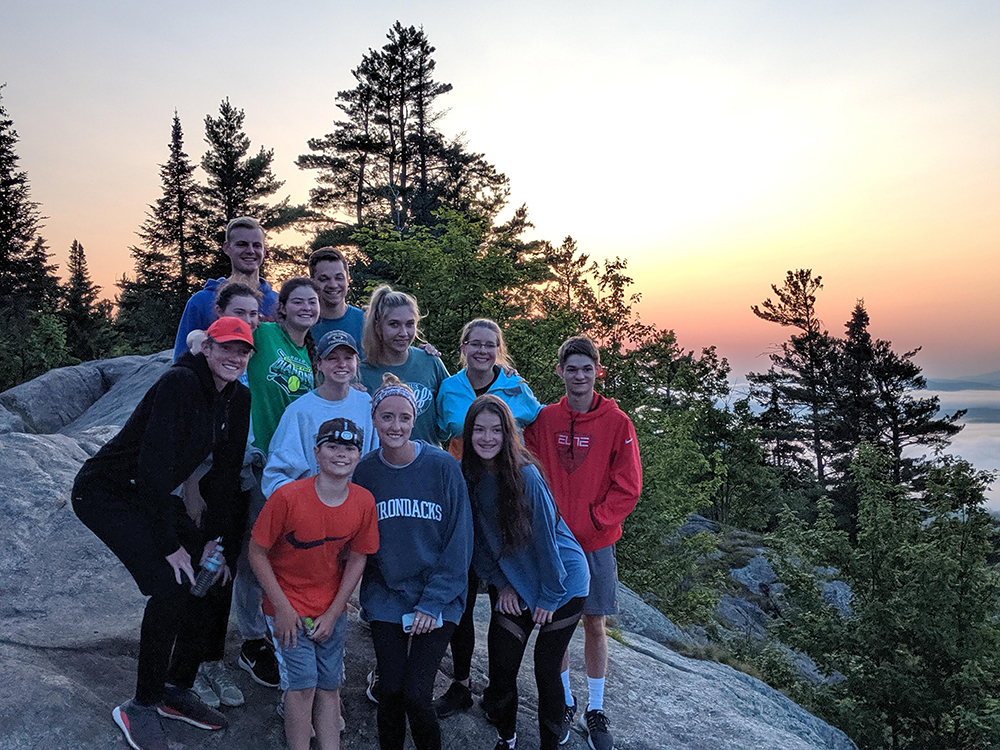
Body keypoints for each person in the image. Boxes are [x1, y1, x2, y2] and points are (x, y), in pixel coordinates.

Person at [71, 316, 254, 750]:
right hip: (108, 492)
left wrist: (216, 542)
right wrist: (172, 546)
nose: (234, 357)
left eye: (243, 350)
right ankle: (140, 706)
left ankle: (176, 688)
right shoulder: (179, 383)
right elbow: (151, 466)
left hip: (150, 495)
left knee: (210, 579)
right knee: (172, 586)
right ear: (205, 349)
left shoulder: (238, 398)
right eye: (225, 347)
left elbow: (225, 478)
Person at [523, 336, 642, 750]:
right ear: (560, 372)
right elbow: (527, 468)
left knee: (593, 622)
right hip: (552, 542)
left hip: (595, 541)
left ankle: (595, 707)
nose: (579, 376)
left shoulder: (617, 422)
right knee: (557, 626)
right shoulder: (544, 419)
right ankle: (565, 699)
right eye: (571, 369)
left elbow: (628, 486)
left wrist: (593, 522)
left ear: (597, 372)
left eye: (586, 369)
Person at [352, 375, 473, 750]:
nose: (396, 426)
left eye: (404, 418)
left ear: (414, 418)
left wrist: (433, 602)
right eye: (387, 417)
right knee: (389, 689)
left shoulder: (441, 467)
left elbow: (459, 541)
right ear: (374, 420)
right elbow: (358, 540)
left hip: (438, 597)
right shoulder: (366, 471)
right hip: (388, 595)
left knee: (417, 693)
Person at [431, 318, 543, 719]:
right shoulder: (449, 387)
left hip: (505, 498)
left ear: (499, 348)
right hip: (462, 497)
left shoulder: (515, 387)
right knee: (461, 594)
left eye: (489, 344)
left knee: (505, 596)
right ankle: (461, 683)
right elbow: (439, 434)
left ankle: (500, 689)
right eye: (474, 343)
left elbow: (538, 421)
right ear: (462, 346)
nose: (481, 350)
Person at [463, 396, 589, 750]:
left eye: (496, 430)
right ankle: (508, 737)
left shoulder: (526, 476)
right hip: (516, 583)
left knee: (545, 669)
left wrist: (549, 595)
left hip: (561, 581)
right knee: (502, 671)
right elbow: (480, 542)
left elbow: (548, 545)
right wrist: (502, 584)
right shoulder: (469, 476)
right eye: (479, 429)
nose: (487, 438)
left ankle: (550, 742)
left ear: (509, 434)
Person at [249, 418, 380, 750]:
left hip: (330, 608)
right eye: (332, 447)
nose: (340, 454)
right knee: (302, 685)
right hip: (287, 605)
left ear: (359, 455)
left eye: (349, 448)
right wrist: (280, 608)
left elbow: (359, 557)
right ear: (316, 453)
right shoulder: (288, 498)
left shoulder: (363, 502)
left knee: (330, 687)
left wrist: (335, 612)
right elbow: (257, 551)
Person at [178, 281, 264, 710]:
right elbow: (185, 435)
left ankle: (210, 659)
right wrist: (192, 484)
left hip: (237, 481)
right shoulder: (195, 366)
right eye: (240, 312)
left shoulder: (246, 375)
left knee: (222, 570)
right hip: (200, 480)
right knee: (195, 572)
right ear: (217, 316)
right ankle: (186, 668)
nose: (249, 320)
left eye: (254, 314)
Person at [236, 277, 321, 689]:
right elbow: (228, 329)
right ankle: (251, 640)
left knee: (284, 552)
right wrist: (200, 336)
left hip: (297, 469)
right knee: (255, 552)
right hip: (259, 459)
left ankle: (276, 625)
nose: (307, 306)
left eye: (313, 301)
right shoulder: (265, 332)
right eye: (298, 301)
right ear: (281, 308)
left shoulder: (313, 351)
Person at [263, 330, 377, 498]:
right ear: (318, 364)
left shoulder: (366, 404)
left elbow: (377, 459)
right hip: (312, 508)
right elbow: (275, 475)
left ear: (357, 362)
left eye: (348, 357)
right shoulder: (299, 411)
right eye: (332, 358)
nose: (342, 364)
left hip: (356, 507)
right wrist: (302, 501)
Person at [173, 216, 277, 361]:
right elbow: (181, 359)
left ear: (264, 251)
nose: (250, 251)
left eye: (257, 245)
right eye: (242, 244)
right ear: (227, 248)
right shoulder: (201, 301)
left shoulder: (278, 302)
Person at [358, 285, 449, 447]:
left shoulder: (430, 361)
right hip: (382, 465)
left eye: (409, 324)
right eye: (394, 324)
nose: (403, 333)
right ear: (378, 327)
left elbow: (459, 401)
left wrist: (500, 372)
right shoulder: (361, 373)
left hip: (429, 464)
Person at [308, 246, 366, 359]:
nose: (333, 285)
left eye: (339, 278)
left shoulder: (367, 323)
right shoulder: (303, 325)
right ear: (312, 282)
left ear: (348, 280)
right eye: (324, 279)